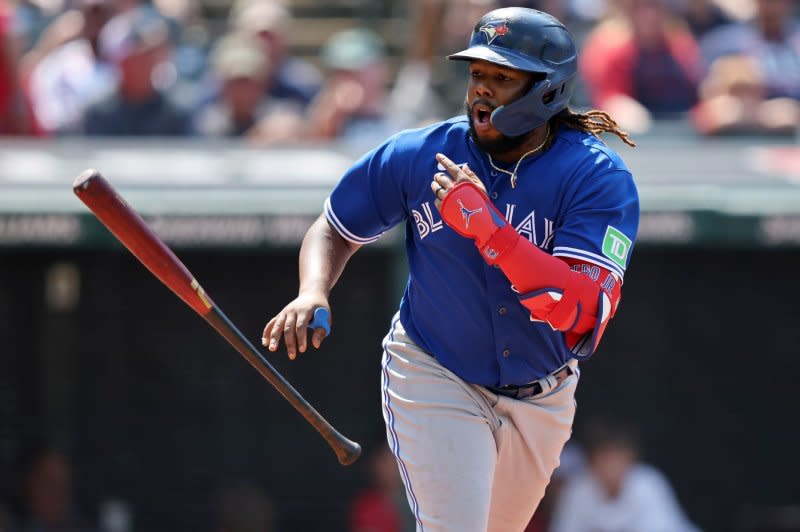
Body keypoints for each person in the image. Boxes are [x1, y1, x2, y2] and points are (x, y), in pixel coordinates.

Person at [263, 7, 639, 531]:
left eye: (503, 78)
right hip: (435, 371)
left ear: (548, 90)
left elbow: (578, 311)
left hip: (542, 394)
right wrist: (312, 290)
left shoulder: (595, 177)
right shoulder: (422, 154)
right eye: (477, 74)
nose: (482, 89)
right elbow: (334, 227)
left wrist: (494, 235)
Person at [549, 418, 700, 532]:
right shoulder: (578, 489)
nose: (610, 466)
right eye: (604, 458)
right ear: (592, 461)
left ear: (630, 458)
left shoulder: (648, 483)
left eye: (616, 458)